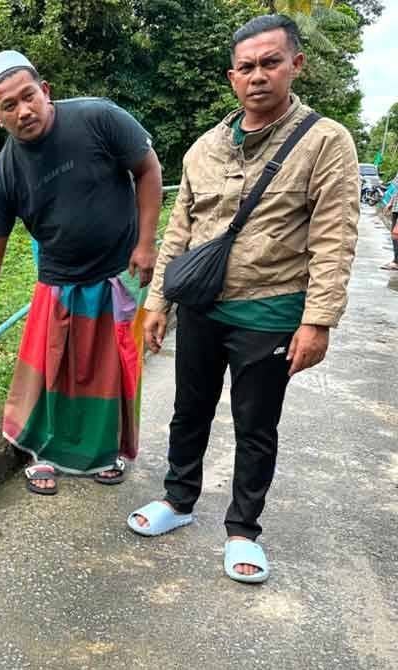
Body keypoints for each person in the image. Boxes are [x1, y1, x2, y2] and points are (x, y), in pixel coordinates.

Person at [128, 15, 359, 583]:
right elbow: (180, 230)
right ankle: (179, 502)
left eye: (270, 63)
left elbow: (335, 235)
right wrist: (159, 302)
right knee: (189, 409)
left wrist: (319, 320)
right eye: (247, 67)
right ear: (232, 77)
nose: (258, 76)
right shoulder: (205, 147)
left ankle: (242, 529)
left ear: (295, 65)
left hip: (272, 307)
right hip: (204, 307)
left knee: (256, 423)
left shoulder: (325, 141)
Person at [0, 50, 163, 495]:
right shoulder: (5, 173)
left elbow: (148, 170)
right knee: (52, 370)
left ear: (45, 91)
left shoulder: (99, 118)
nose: (23, 111)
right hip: (57, 280)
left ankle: (110, 452)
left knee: (117, 368)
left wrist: (147, 245)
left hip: (121, 274)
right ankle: (45, 454)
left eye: (28, 96)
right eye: (8, 106)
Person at [381, 174, 398, 271]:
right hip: (396, 207)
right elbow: (396, 190)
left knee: (396, 234)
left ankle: (396, 262)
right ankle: (395, 260)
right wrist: (390, 203)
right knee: (394, 234)